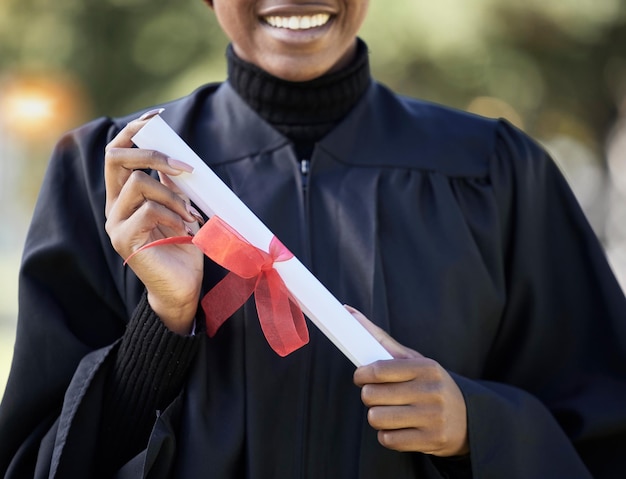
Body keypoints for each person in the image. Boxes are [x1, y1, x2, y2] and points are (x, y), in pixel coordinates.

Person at [1, 0, 625, 477]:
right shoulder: (118, 174)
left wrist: (477, 426)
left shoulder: (494, 170)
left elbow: (602, 434)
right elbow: (38, 461)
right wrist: (162, 322)